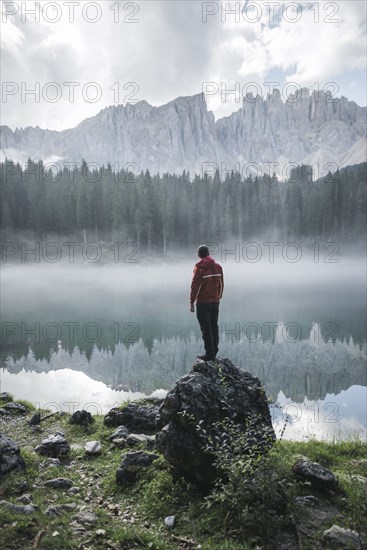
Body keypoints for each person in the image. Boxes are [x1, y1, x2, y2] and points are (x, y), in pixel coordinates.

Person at [190, 244, 224, 361]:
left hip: (203, 302)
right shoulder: (218, 267)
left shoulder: (200, 268)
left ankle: (209, 354)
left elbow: (195, 286)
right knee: (214, 326)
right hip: (215, 301)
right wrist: (218, 297)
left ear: (199, 254)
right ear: (208, 253)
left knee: (206, 328)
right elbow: (221, 284)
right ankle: (214, 351)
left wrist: (191, 302)